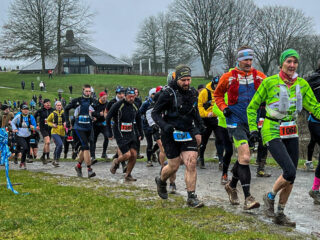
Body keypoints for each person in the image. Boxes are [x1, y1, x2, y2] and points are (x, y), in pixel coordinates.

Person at [247, 49, 320, 226]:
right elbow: (252, 107)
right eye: (288, 61)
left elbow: (315, 107)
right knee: (290, 171)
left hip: (291, 129)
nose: (292, 65)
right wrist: (253, 129)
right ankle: (269, 197)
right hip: (271, 128)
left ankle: (280, 214)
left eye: (295, 62)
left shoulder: (302, 84)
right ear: (281, 63)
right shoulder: (270, 82)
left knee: (291, 177)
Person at [214, 46, 266, 210]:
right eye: (245, 60)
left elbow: (272, 88)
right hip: (234, 121)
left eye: (251, 59)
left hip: (251, 122)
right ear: (238, 60)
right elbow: (217, 95)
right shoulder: (228, 77)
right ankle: (248, 198)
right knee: (245, 156)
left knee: (243, 157)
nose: (248, 62)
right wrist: (223, 108)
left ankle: (231, 185)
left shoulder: (259, 76)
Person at [152, 64, 204, 208]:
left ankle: (191, 197)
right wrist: (164, 126)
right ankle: (161, 181)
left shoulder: (193, 92)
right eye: (183, 80)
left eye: (189, 79)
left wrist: (199, 128)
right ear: (177, 79)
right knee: (173, 166)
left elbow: (195, 112)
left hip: (187, 131)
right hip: (170, 133)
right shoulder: (167, 93)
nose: (187, 83)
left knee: (191, 162)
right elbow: (154, 113)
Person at [108, 87, 143, 181]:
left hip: (131, 133)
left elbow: (139, 120)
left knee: (134, 155)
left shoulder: (135, 105)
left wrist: (140, 133)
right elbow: (108, 118)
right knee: (127, 155)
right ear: (125, 96)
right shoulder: (118, 105)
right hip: (120, 133)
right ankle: (116, 161)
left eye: (133, 97)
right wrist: (109, 132)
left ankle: (128, 175)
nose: (131, 98)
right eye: (129, 96)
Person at [65, 84, 96, 178]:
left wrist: (96, 116)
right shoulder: (77, 101)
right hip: (79, 127)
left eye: (89, 91)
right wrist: (67, 121)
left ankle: (78, 166)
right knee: (86, 147)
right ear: (83, 91)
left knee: (84, 148)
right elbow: (66, 109)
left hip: (89, 127)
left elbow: (97, 112)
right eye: (86, 91)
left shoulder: (93, 101)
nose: (88, 93)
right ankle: (89, 169)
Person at [198, 76, 224, 169]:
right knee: (204, 140)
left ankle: (221, 160)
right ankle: (201, 159)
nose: (218, 86)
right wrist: (206, 114)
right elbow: (199, 106)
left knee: (220, 139)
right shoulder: (205, 92)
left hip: (217, 119)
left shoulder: (222, 92)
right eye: (217, 84)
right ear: (213, 84)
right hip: (206, 120)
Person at [305, 60, 320, 204]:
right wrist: (307, 108)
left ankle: (315, 189)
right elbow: (301, 95)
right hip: (315, 122)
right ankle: (315, 189)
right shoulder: (314, 79)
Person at [106, 86, 127, 171]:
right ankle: (123, 164)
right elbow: (106, 114)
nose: (121, 95)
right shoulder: (112, 102)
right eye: (119, 94)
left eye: (122, 93)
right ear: (116, 94)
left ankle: (116, 157)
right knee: (120, 145)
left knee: (125, 145)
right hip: (117, 126)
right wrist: (109, 128)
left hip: (126, 126)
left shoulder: (126, 101)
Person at [11, 105, 37, 169]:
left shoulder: (31, 117)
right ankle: (22, 161)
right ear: (21, 110)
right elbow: (12, 122)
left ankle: (21, 161)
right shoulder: (18, 116)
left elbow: (35, 126)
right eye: (24, 109)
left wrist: (33, 127)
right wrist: (15, 129)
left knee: (24, 148)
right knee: (25, 148)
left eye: (27, 109)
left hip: (27, 135)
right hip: (19, 135)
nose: (26, 110)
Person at [139, 88, 157, 167]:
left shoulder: (158, 101)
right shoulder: (146, 103)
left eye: (156, 94)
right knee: (150, 143)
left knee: (160, 142)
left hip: (156, 125)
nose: (155, 95)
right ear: (150, 95)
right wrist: (145, 118)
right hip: (147, 126)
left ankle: (153, 152)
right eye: (153, 94)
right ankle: (149, 160)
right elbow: (139, 113)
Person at [90, 91, 109, 161]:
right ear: (100, 97)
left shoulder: (107, 104)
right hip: (95, 124)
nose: (105, 99)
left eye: (106, 97)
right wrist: (98, 114)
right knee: (93, 140)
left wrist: (107, 115)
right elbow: (91, 112)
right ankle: (93, 156)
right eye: (103, 98)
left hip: (104, 124)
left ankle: (104, 153)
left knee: (107, 137)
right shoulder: (95, 103)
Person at [34, 99, 54, 164]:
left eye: (49, 103)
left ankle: (44, 156)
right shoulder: (41, 110)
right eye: (47, 103)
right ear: (44, 104)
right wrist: (36, 124)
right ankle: (46, 157)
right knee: (47, 141)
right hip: (43, 128)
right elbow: (34, 116)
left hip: (50, 128)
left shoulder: (52, 110)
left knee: (47, 143)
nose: (48, 104)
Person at [47, 101, 66, 167]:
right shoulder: (52, 114)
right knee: (60, 144)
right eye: (57, 105)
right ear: (55, 106)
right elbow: (48, 121)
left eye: (60, 105)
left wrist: (66, 124)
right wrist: (52, 125)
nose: (59, 106)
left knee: (59, 146)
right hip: (55, 131)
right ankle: (56, 159)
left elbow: (68, 121)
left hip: (62, 132)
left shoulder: (64, 113)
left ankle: (55, 159)